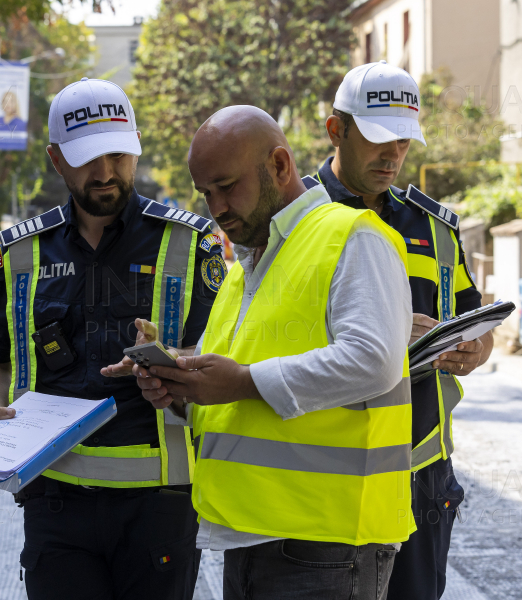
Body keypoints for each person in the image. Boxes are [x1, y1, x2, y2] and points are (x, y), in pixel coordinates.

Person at [135, 105, 415, 600]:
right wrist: (175, 382)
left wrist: (242, 381)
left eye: (227, 186)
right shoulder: (248, 265)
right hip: (251, 538)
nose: (216, 207)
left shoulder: (353, 237)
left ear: (280, 167)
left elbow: (373, 360)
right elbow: (226, 383)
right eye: (206, 193)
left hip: (329, 545)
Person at [0, 77, 226, 600]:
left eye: (116, 153)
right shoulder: (20, 253)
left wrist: (176, 367)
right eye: (87, 158)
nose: (105, 172)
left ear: (135, 147)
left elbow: (229, 355)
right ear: (57, 159)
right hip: (54, 504)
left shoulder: (192, 245)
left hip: (160, 506)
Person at [312, 61, 495, 600]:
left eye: (404, 140)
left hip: (422, 471)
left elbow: (477, 325)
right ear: (335, 130)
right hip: (328, 469)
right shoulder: (292, 217)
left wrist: (469, 349)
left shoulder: (434, 226)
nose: (393, 154)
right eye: (376, 138)